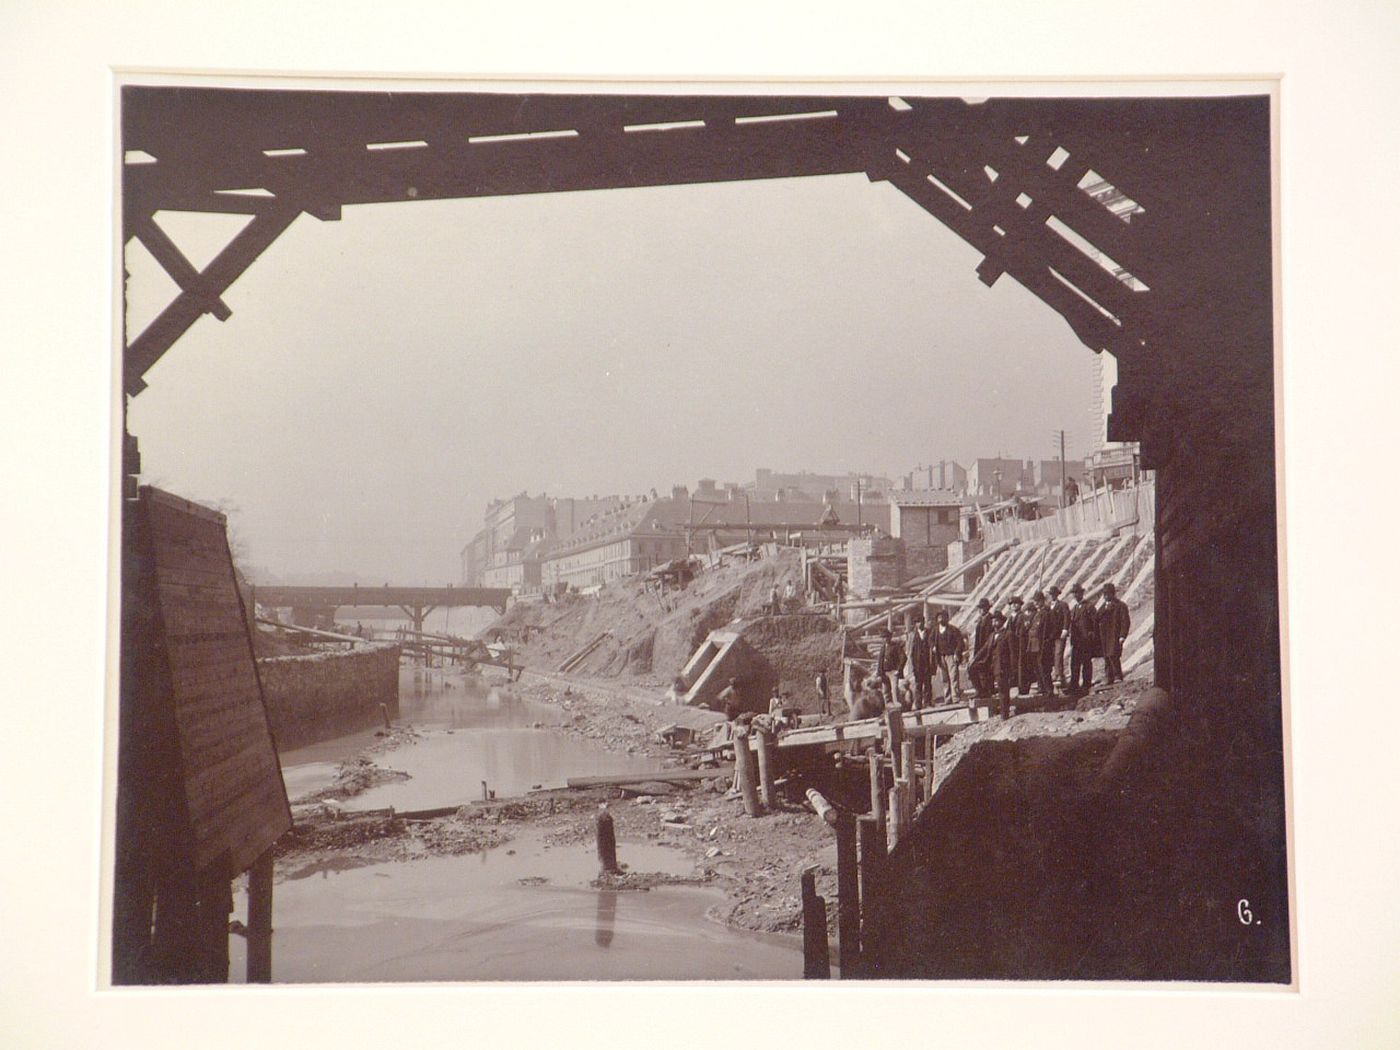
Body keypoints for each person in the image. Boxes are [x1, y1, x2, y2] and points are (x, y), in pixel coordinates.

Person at [1097, 582, 1132, 683]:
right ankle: (1109, 677)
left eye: (1108, 593)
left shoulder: (1120, 606)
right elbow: (1097, 620)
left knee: (1114, 655)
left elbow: (1125, 621)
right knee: (1106, 656)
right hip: (1104, 636)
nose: (1106, 596)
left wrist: (1122, 635)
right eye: (1105, 594)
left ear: (1113, 594)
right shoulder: (1102, 608)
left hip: (1115, 635)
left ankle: (1117, 676)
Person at [931, 609, 966, 703]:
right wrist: (933, 646)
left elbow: (960, 642)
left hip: (951, 656)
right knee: (944, 678)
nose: (941, 619)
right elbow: (930, 641)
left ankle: (955, 697)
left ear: (947, 618)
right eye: (939, 617)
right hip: (941, 656)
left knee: (953, 676)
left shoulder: (953, 629)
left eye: (943, 617)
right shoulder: (935, 631)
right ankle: (947, 698)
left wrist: (956, 653)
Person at [1068, 584, 1098, 693]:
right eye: (1074, 593)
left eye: (1077, 593)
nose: (1076, 595)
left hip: (1086, 640)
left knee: (1086, 663)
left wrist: (1091, 634)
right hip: (1076, 641)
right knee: (1074, 664)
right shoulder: (1075, 608)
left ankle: (1086, 684)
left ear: (1082, 593)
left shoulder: (1089, 606)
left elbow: (1095, 622)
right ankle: (1074, 685)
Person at [968, 597, 996, 703]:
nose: (981, 610)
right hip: (980, 650)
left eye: (983, 607)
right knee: (981, 671)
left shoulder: (991, 619)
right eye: (980, 608)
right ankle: (983, 691)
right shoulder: (981, 620)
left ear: (987, 608)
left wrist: (980, 653)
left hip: (987, 650)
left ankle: (984, 692)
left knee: (977, 670)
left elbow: (989, 638)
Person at [989, 611, 1016, 720]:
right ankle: (1002, 713)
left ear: (1001, 622)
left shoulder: (1008, 634)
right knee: (1000, 690)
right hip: (995, 667)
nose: (994, 623)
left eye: (996, 621)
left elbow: (1012, 653)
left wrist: (1012, 669)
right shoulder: (992, 636)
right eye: (993, 621)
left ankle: (1005, 714)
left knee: (1004, 691)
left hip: (1004, 667)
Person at [905, 615, 932, 709]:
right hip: (917, 663)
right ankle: (918, 704)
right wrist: (911, 667)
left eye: (921, 621)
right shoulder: (912, 635)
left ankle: (928, 702)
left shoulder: (928, 632)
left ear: (924, 622)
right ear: (915, 624)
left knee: (928, 683)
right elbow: (909, 652)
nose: (919, 624)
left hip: (927, 662)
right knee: (918, 684)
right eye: (917, 622)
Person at [1047, 585, 1070, 689]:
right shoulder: (1048, 607)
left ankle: (1060, 675)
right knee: (1051, 655)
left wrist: (1065, 629)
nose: (1052, 596)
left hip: (1059, 635)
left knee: (1058, 654)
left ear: (1057, 595)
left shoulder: (1062, 605)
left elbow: (1066, 617)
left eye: (1054, 594)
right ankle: (1055, 675)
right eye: (1051, 594)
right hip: (1051, 635)